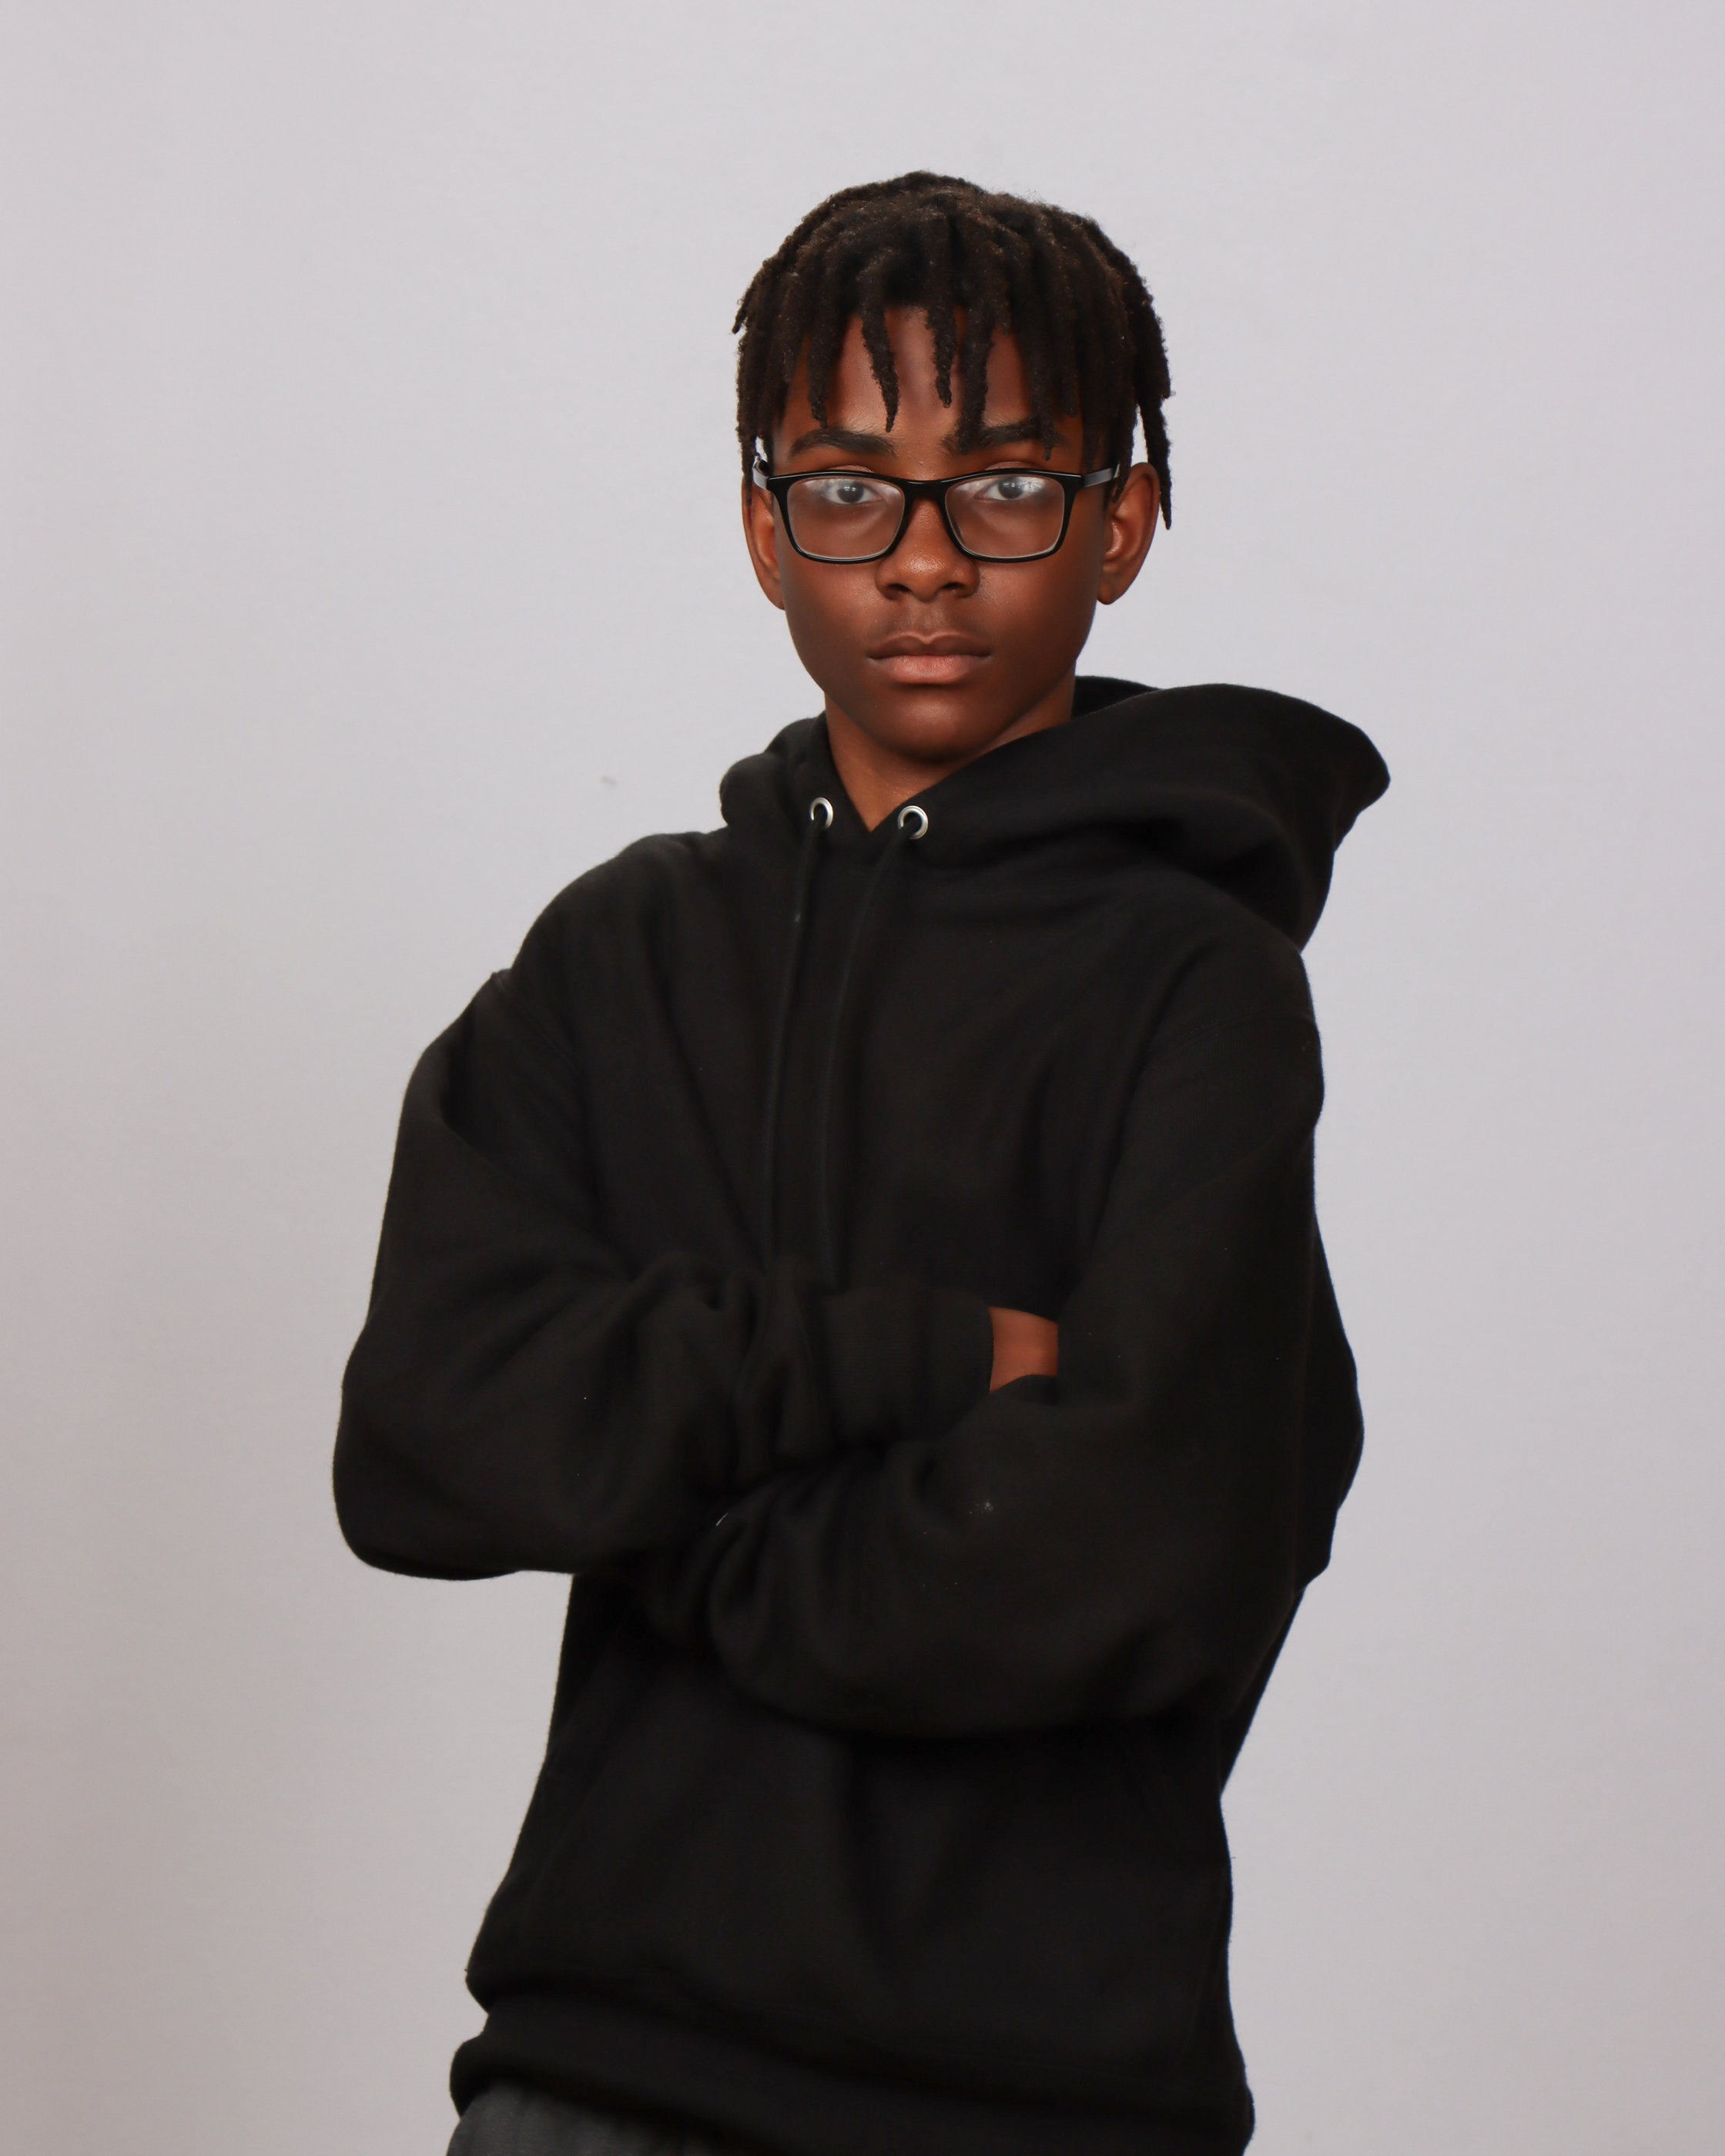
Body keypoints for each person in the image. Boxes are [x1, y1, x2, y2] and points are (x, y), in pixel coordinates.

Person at [334, 172, 1388, 2156]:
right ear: (765, 529)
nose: (921, 560)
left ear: (1120, 522)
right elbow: (424, 1438)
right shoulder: (623, 954)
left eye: (1004, 488)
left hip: (1039, 2105)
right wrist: (927, 1362)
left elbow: (1142, 1551)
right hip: (594, 2078)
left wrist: (673, 1532)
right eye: (847, 489)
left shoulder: (1196, 983)